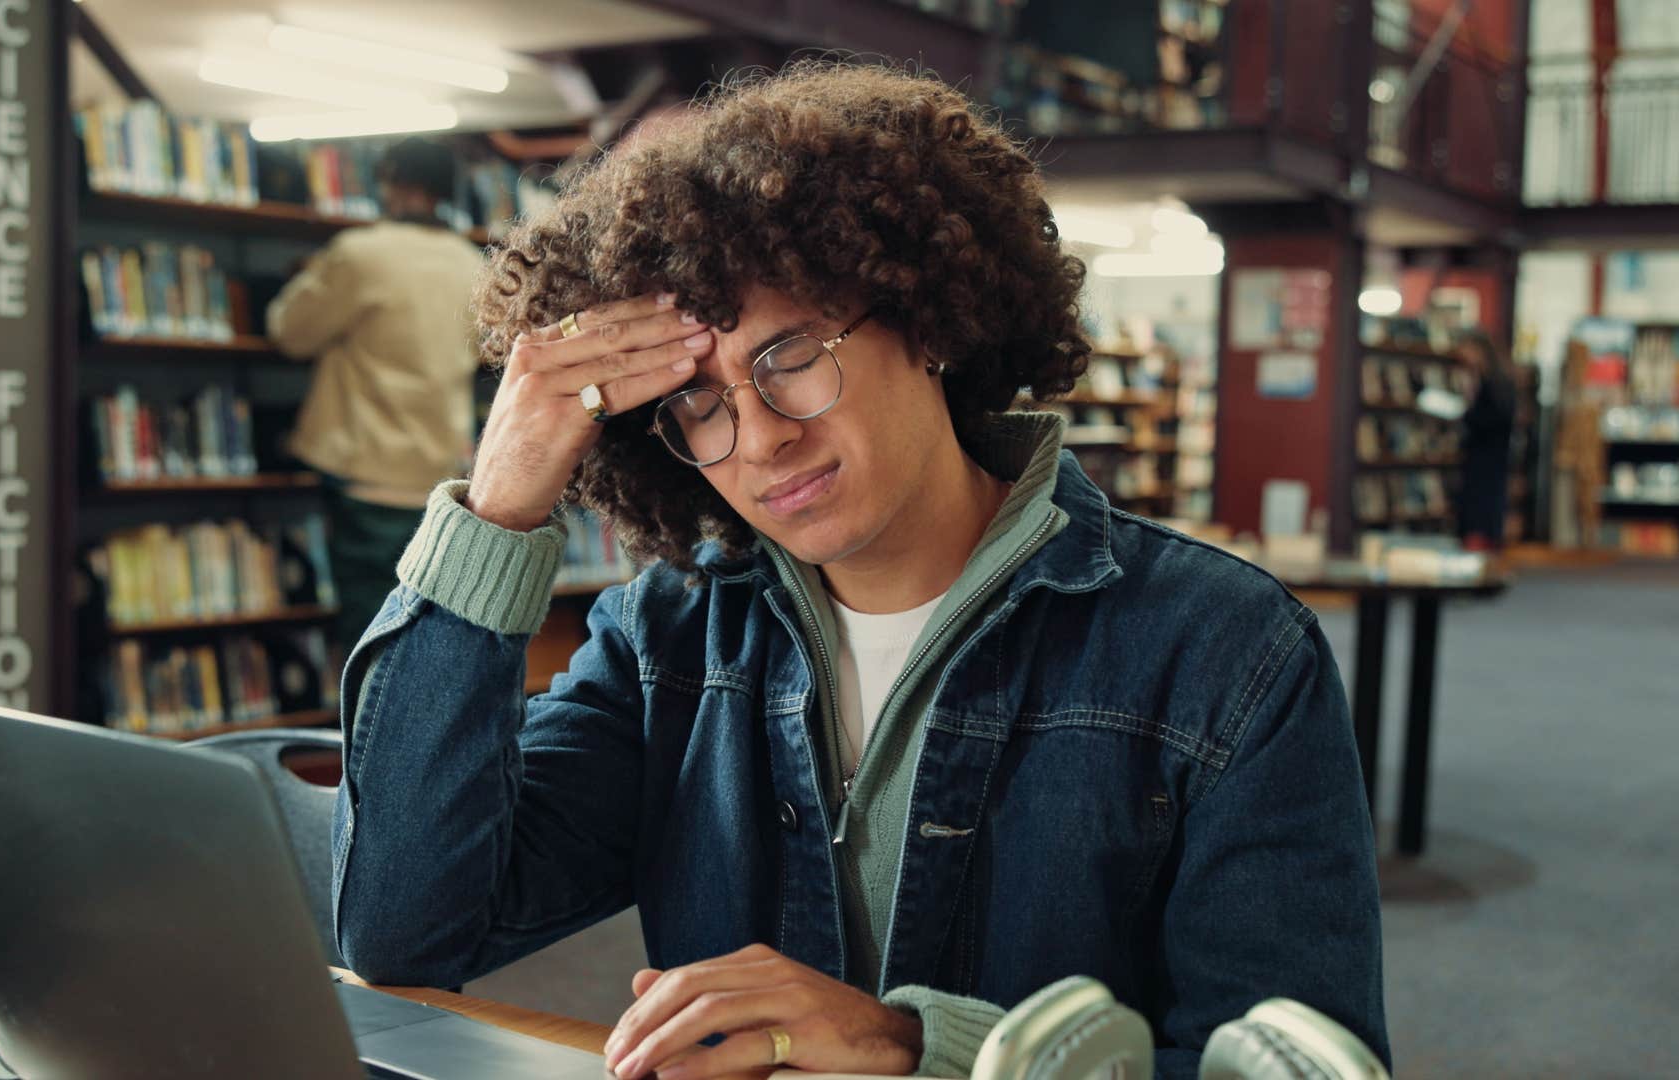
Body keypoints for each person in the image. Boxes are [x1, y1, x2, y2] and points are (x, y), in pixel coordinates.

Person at [332, 64, 1387, 1080]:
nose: (759, 441)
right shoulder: (670, 641)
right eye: (698, 405)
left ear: (926, 320)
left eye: (790, 359)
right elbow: (406, 934)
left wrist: (911, 1045)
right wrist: (502, 505)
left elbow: (1294, 1061)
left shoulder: (1223, 652)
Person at [266, 137, 488, 647]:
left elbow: (289, 332)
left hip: (366, 466)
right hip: (441, 470)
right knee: (430, 628)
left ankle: (363, 729)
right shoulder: (473, 264)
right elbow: (482, 352)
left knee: (368, 629)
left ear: (392, 181)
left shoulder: (361, 255)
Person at [1455, 329, 1517, 551]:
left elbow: (1486, 420)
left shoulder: (1493, 384)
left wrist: (1467, 403)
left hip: (1485, 460)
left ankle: (1479, 558)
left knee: (1479, 515)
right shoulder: (1500, 380)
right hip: (1490, 460)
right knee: (1485, 514)